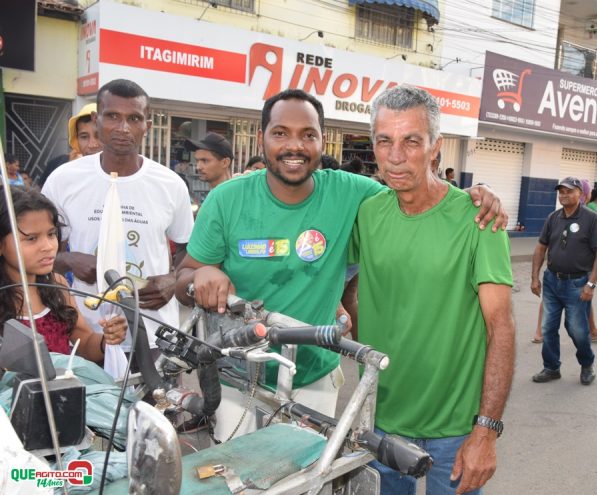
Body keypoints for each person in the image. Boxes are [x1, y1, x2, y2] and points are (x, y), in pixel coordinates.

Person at [175, 88, 507, 438]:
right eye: (280, 133)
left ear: (323, 142)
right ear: (262, 139)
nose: (295, 146)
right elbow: (183, 278)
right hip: (237, 379)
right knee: (240, 483)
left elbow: (421, 195)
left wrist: (477, 194)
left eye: (308, 135)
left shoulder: (354, 194)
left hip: (315, 380)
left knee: (307, 482)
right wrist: (203, 274)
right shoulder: (226, 200)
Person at [351, 85, 515, 495]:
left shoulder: (478, 219)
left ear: (435, 147)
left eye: (411, 141)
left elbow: (501, 327)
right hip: (380, 420)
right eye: (384, 141)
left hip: (456, 432)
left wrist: (487, 431)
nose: (395, 156)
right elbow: (339, 279)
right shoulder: (368, 212)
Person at [42, 79, 194, 350]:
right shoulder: (63, 180)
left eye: (134, 118)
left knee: (158, 395)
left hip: (154, 335)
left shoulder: (170, 184)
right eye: (113, 116)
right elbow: (34, 253)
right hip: (85, 335)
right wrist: (67, 260)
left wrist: (173, 280)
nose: (123, 128)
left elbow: (189, 252)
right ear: (96, 120)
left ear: (147, 125)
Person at [0, 187, 126, 361]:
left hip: (63, 387)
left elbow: (85, 343)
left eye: (51, 234)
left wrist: (107, 340)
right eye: (31, 239)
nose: (48, 246)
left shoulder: (57, 285)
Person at [531, 177, 597, 386]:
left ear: (580, 194)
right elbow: (540, 248)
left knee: (577, 330)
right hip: (552, 281)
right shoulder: (553, 218)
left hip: (577, 283)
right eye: (561, 191)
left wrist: (591, 285)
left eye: (569, 191)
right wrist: (534, 277)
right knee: (547, 327)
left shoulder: (592, 219)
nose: (564, 195)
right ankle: (551, 367)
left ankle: (587, 364)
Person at [41, 104, 102, 188]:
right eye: (84, 137)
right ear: (76, 140)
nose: (92, 145)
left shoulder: (125, 177)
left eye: (99, 135)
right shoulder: (60, 180)